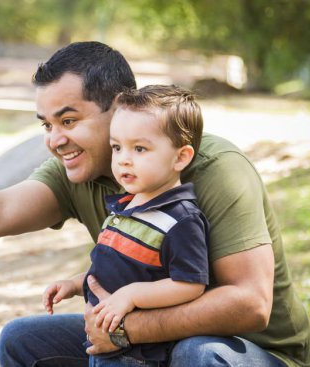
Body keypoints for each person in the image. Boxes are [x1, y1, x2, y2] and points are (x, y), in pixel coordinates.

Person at [0, 41, 310, 367]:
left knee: (197, 354)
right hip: (149, 344)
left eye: (69, 120)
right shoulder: (78, 171)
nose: (56, 140)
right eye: (46, 124)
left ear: (119, 108)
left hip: (247, 352)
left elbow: (250, 304)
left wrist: (126, 330)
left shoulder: (212, 167)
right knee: (21, 342)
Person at [43, 85, 210, 367]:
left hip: (137, 353)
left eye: (140, 148)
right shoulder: (125, 206)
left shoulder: (180, 219)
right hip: (103, 340)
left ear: (180, 157)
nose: (123, 159)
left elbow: (190, 284)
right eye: (117, 147)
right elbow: (117, 267)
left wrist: (130, 296)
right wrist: (74, 284)